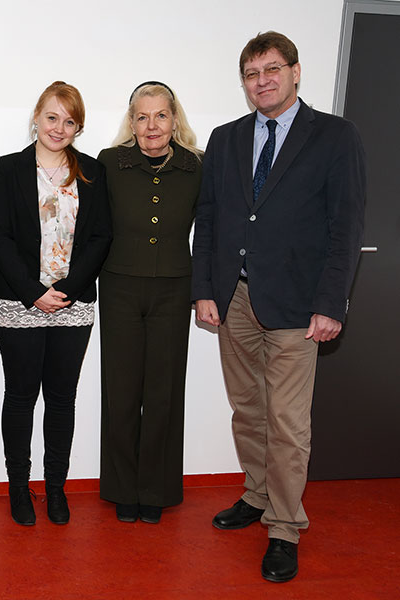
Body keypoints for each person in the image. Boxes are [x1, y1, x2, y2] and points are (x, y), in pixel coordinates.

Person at [192, 31, 365, 583]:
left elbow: (346, 227)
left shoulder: (335, 136)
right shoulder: (225, 139)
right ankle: (257, 493)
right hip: (235, 299)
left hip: (298, 306)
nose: (261, 81)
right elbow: (209, 218)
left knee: (288, 422)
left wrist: (331, 303)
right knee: (247, 410)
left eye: (271, 70)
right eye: (251, 74)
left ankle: (285, 527)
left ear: (295, 71)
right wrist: (205, 289)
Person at [0, 81, 112, 526]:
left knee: (62, 399)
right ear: (36, 118)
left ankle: (56, 488)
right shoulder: (8, 169)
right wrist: (33, 292)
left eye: (69, 121)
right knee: (20, 397)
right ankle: (19, 488)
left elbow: (101, 237)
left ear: (79, 127)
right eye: (52, 117)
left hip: (72, 306)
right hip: (19, 303)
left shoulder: (93, 172)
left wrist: (68, 289)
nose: (59, 128)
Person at [96, 82, 202, 525]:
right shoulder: (109, 163)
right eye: (142, 116)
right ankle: (123, 488)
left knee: (164, 392)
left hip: (173, 289)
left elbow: (209, 230)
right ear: (132, 121)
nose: (152, 125)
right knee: (120, 392)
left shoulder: (196, 166)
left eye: (160, 115)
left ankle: (155, 490)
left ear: (174, 119)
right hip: (119, 287)